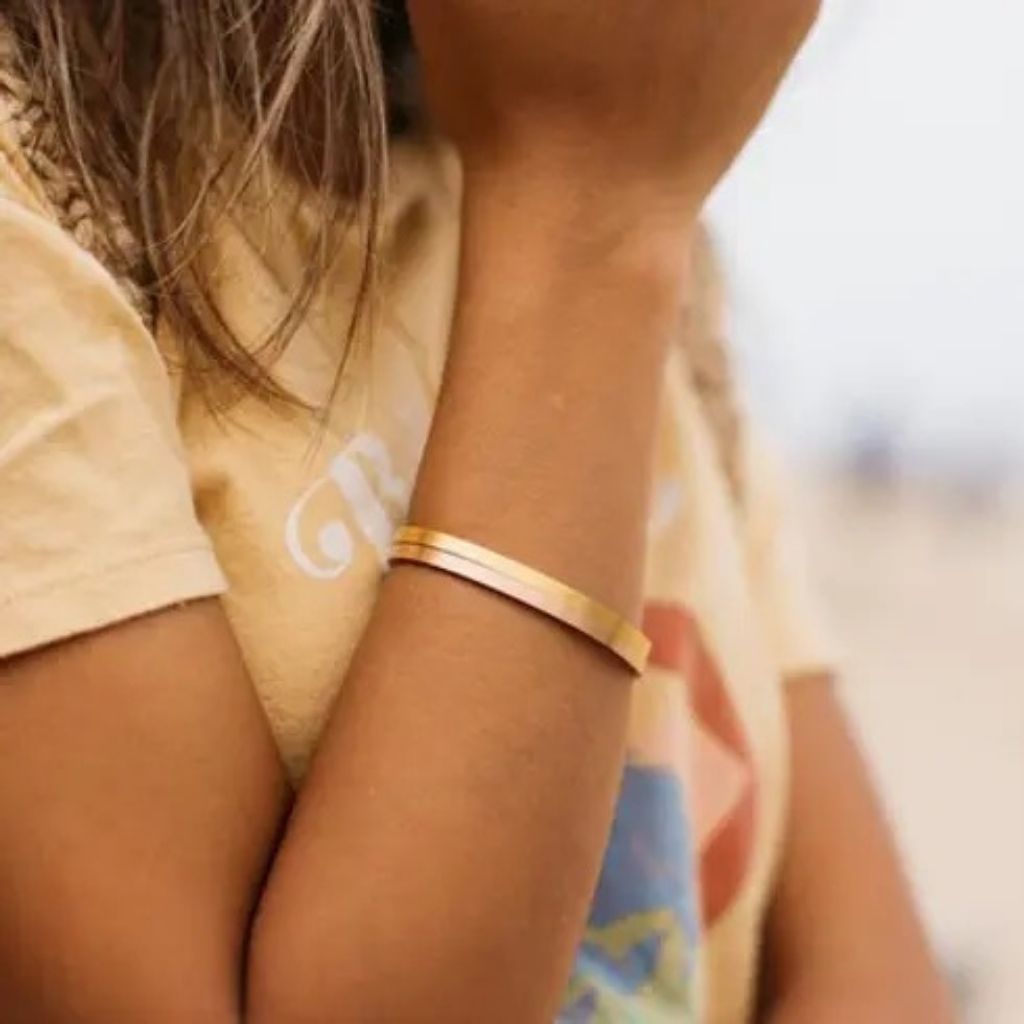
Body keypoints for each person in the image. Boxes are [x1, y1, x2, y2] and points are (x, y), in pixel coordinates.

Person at [0, 3, 953, 1021]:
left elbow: (870, 975)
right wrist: (584, 214)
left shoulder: (619, 166)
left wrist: (615, 208)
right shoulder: (42, 186)